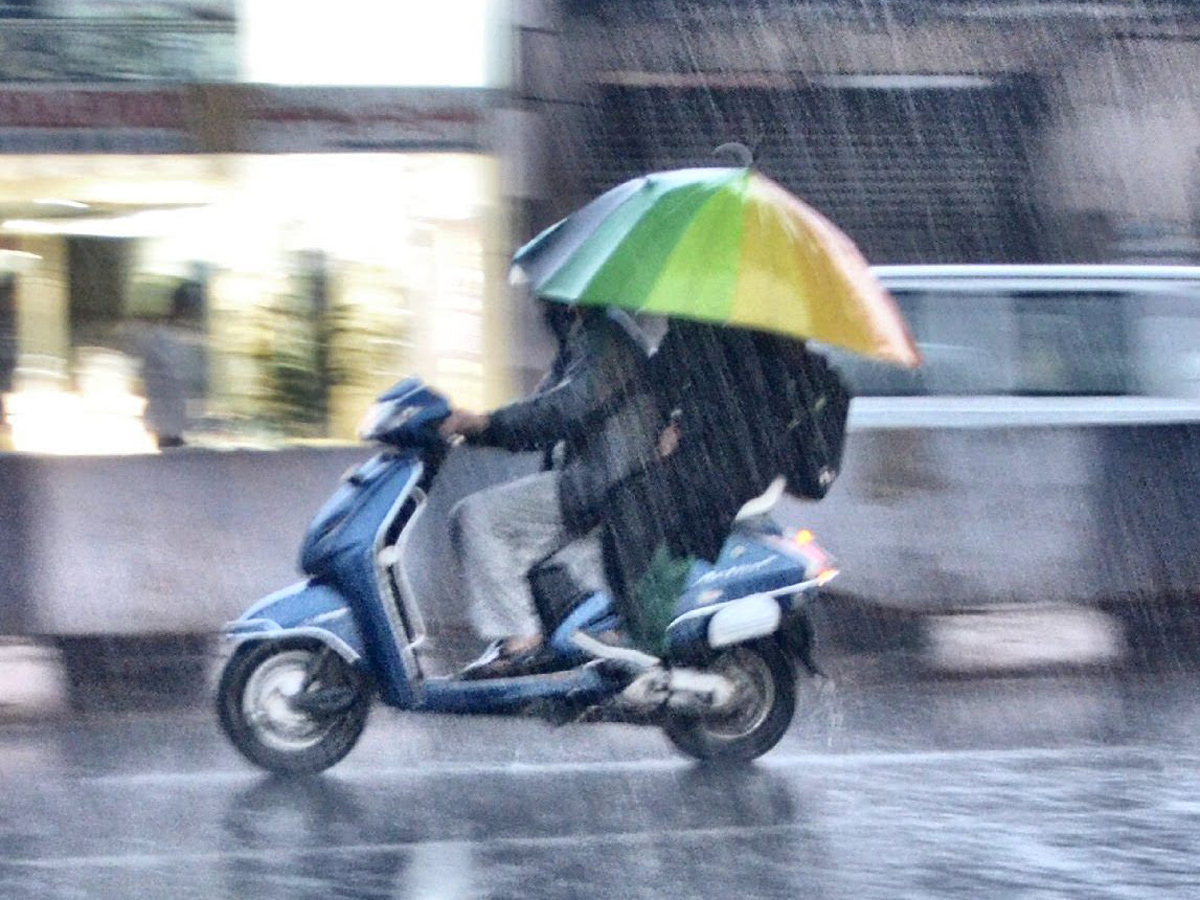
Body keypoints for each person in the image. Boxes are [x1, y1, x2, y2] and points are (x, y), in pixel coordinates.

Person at [439, 302, 664, 679]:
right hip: (598, 478)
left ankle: (523, 640)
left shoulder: (606, 337)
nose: (543, 301)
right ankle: (547, 638)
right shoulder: (584, 339)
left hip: (603, 482)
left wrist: (485, 423)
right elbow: (541, 408)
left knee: (477, 517)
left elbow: (564, 410)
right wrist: (481, 428)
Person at [140, 280, 206, 450]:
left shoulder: (187, 338)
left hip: (181, 423)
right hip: (170, 424)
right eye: (192, 307)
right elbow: (156, 384)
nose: (194, 313)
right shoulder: (160, 341)